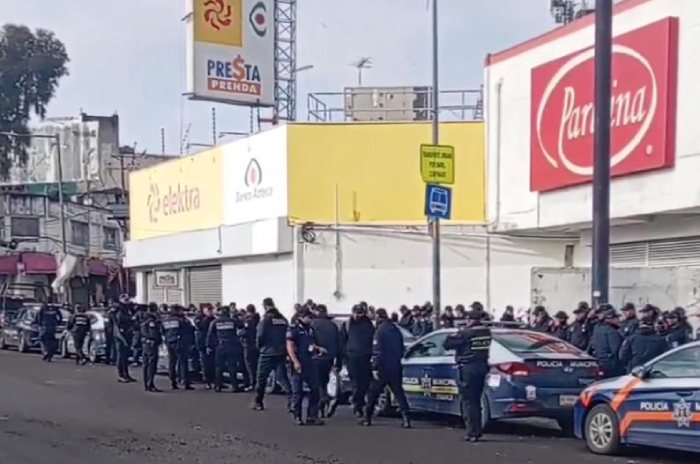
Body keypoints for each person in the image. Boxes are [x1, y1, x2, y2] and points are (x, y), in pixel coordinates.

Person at [443, 308, 492, 442]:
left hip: (467, 368)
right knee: (476, 400)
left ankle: (472, 432)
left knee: (468, 401)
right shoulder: (486, 332)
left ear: (469, 320)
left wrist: (455, 333)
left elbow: (447, 344)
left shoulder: (466, 333)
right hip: (482, 367)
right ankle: (477, 430)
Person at [361, 308, 411, 428]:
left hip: (383, 367)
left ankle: (367, 417)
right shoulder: (396, 330)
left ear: (379, 317)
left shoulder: (379, 331)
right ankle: (406, 419)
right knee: (399, 393)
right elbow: (401, 348)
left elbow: (377, 350)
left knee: (373, 393)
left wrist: (375, 367)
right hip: (395, 365)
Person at [286, 307, 325, 426]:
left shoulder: (310, 329)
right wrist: (295, 362)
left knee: (315, 390)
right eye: (308, 317)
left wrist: (318, 348)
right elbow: (290, 347)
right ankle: (297, 415)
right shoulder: (293, 329)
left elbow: (310, 344)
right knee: (298, 392)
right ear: (301, 317)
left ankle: (312, 416)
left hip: (310, 362)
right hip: (299, 363)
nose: (310, 319)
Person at [252, 298, 291, 411]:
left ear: (265, 306)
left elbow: (260, 335)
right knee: (282, 378)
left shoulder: (266, 320)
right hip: (281, 352)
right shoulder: (283, 319)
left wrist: (259, 347)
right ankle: (292, 401)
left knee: (261, 378)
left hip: (267, 352)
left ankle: (258, 402)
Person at [340, 304, 375, 417]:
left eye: (361, 313)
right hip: (352, 357)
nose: (359, 315)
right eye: (357, 313)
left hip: (365, 357)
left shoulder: (368, 324)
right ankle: (357, 405)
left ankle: (359, 403)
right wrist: (341, 359)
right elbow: (341, 342)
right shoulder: (347, 324)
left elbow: (372, 339)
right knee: (356, 382)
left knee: (364, 384)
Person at [310, 304, 341, 417]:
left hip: (316, 357)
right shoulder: (333, 326)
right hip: (329, 358)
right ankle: (322, 408)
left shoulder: (313, 324)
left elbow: (309, 341)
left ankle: (324, 400)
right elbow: (339, 344)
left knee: (317, 383)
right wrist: (338, 361)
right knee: (324, 381)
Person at [207, 305, 243, 392]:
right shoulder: (233, 321)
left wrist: (208, 346)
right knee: (232, 366)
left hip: (220, 346)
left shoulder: (215, 322)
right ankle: (235, 386)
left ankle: (218, 386)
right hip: (232, 345)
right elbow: (241, 326)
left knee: (219, 367)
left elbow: (210, 334)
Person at [588, 305, 624, 378]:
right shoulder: (611, 331)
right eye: (616, 318)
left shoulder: (597, 328)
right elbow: (616, 350)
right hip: (610, 365)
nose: (618, 320)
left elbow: (591, 345)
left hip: (598, 361)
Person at [163, 305, 192, 390]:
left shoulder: (166, 320)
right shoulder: (181, 320)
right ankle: (185, 382)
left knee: (172, 363)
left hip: (169, 343)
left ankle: (173, 382)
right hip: (180, 343)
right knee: (183, 363)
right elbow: (189, 329)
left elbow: (162, 331)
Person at [140, 306, 163, 392]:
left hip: (145, 344)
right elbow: (153, 334)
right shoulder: (151, 322)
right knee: (151, 365)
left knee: (145, 365)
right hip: (151, 344)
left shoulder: (143, 321)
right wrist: (158, 340)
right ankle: (150, 384)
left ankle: (147, 384)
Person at [113, 303, 136, 383]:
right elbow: (118, 328)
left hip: (126, 336)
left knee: (125, 357)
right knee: (120, 356)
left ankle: (126, 374)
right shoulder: (119, 314)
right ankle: (121, 375)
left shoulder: (127, 313)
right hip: (120, 337)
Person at [194, 304, 216, 389]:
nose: (210, 312)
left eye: (211, 310)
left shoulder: (214, 319)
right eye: (208, 310)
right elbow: (200, 327)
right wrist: (206, 318)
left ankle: (214, 380)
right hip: (202, 344)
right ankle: (207, 381)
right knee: (205, 363)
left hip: (213, 344)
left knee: (213, 363)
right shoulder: (199, 318)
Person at [242, 304, 261, 392]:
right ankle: (257, 383)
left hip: (248, 345)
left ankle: (252, 383)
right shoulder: (259, 320)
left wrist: (239, 332)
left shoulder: (248, 321)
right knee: (256, 365)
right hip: (257, 345)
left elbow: (245, 332)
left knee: (249, 365)